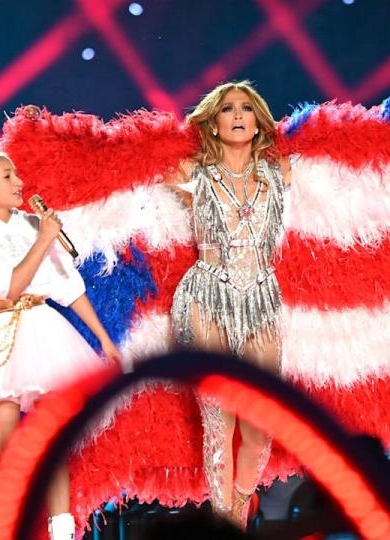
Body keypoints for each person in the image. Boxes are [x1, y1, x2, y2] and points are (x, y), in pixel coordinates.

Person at [0, 143, 122, 539]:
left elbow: (67, 287)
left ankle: (61, 531)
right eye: (7, 176)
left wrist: (104, 340)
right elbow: (6, 287)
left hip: (42, 330)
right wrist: (43, 240)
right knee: (5, 443)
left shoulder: (32, 224)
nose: (19, 183)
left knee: (52, 438)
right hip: (1, 333)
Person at [166, 81, 291, 527]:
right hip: (206, 297)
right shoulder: (188, 173)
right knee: (220, 423)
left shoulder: (282, 174)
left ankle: (235, 513)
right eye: (226, 110)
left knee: (259, 429)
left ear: (259, 122)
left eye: (245, 108)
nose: (237, 115)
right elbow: (121, 182)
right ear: (213, 124)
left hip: (262, 299)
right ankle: (228, 527)